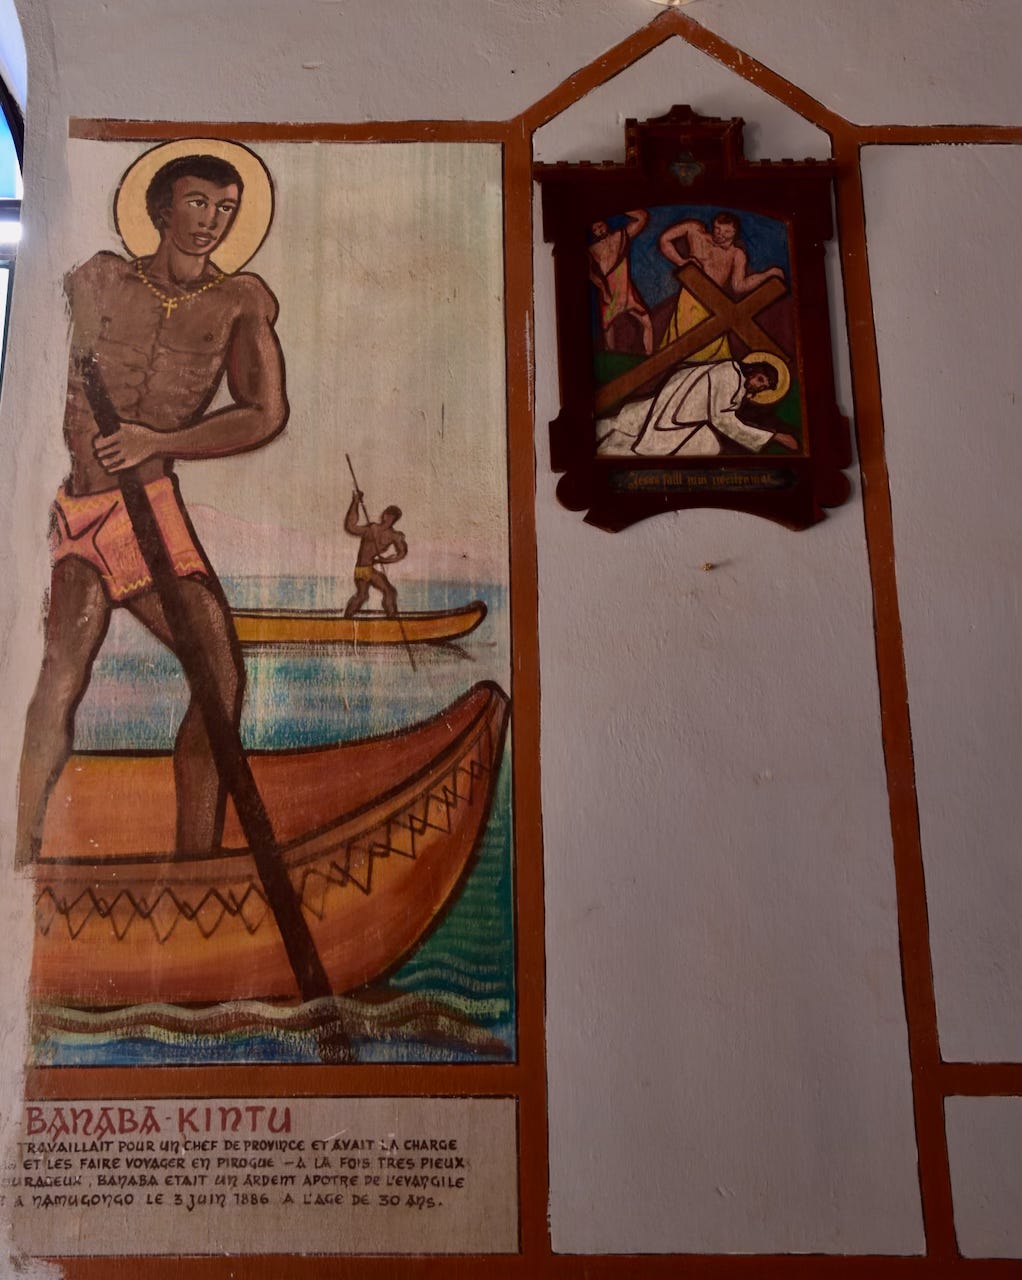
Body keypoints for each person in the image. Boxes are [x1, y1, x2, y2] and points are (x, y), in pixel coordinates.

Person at [16, 150, 288, 864]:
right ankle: (19, 854)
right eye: (198, 203)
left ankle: (194, 861)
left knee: (218, 678)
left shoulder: (239, 302)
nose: (212, 221)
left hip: (148, 513)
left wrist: (158, 440)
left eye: (226, 209)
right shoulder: (98, 279)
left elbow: (264, 413)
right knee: (58, 677)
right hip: (77, 508)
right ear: (162, 207)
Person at [596, 356, 798, 457]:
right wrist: (774, 436)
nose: (759, 386)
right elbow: (723, 420)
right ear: (753, 369)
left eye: (764, 386)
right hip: (674, 419)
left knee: (708, 445)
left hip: (677, 413)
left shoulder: (733, 377)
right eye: (760, 379)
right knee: (706, 446)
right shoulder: (729, 375)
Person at [658, 211, 786, 360]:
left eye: (726, 232)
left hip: (715, 304)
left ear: (734, 233)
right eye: (717, 229)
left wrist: (768, 274)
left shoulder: (736, 254)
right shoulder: (696, 233)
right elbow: (664, 240)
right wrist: (681, 262)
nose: (720, 234)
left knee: (712, 349)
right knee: (682, 344)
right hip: (689, 298)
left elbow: (739, 286)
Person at [589, 211, 654, 355]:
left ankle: (649, 356)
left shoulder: (619, 236)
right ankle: (610, 358)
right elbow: (591, 274)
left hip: (627, 292)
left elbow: (642, 218)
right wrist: (603, 289)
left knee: (647, 322)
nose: (599, 231)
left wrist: (616, 206)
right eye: (595, 230)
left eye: (600, 226)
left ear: (606, 224)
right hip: (610, 295)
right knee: (607, 327)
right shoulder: (593, 250)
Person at [342, 491, 408, 618]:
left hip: (364, 568)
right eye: (388, 515)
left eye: (391, 517)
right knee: (385, 592)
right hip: (363, 568)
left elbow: (402, 553)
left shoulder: (393, 535)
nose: (387, 518)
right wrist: (355, 502)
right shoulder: (373, 529)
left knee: (365, 595)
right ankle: (391, 618)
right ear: (385, 515)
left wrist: (384, 560)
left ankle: (348, 617)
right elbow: (350, 527)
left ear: (392, 518)